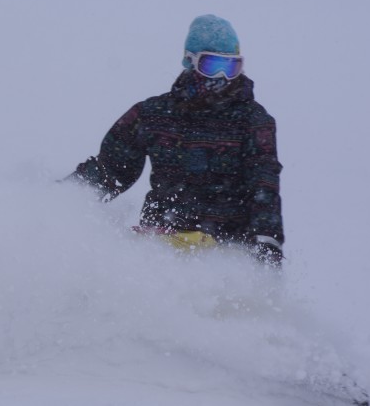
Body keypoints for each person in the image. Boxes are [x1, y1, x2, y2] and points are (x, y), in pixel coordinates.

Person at [66, 15, 284, 266]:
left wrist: (268, 241)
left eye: (232, 67)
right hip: (164, 243)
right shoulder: (153, 114)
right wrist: (62, 202)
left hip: (225, 250)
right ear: (190, 62)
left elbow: (263, 183)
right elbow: (110, 171)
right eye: (212, 65)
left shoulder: (253, 121)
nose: (223, 76)